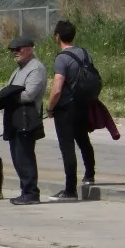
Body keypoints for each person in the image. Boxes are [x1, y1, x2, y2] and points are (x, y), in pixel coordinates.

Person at [47, 19, 97, 201]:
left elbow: (57, 88)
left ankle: (70, 190)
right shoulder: (85, 53)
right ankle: (90, 175)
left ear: (57, 36)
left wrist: (50, 107)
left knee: (67, 147)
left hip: (66, 108)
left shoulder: (62, 59)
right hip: (83, 105)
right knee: (83, 140)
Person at [1, 36, 47, 205]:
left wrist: (7, 96)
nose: (15, 52)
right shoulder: (19, 69)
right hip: (14, 117)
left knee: (25, 156)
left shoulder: (36, 68)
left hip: (26, 118)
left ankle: (31, 192)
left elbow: (29, 94)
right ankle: (24, 191)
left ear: (29, 49)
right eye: (13, 50)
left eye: (19, 49)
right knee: (17, 156)